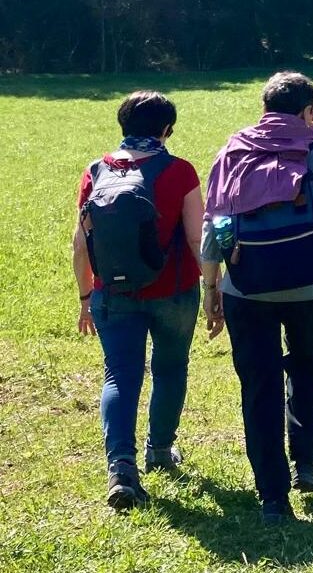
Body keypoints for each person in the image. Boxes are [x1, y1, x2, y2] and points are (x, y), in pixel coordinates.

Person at [200, 72, 313, 525]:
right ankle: (306, 463)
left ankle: (273, 497)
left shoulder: (231, 151)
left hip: (246, 286)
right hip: (309, 284)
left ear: (265, 107)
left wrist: (211, 288)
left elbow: (215, 226)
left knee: (259, 385)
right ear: (309, 112)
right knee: (307, 368)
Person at [72, 91, 203, 510]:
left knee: (118, 376)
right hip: (174, 292)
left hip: (112, 294)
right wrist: (215, 290)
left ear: (122, 126)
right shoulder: (180, 172)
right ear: (167, 130)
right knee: (170, 368)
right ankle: (160, 450)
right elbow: (197, 238)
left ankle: (121, 468)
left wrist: (85, 296)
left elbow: (80, 243)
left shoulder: (95, 171)